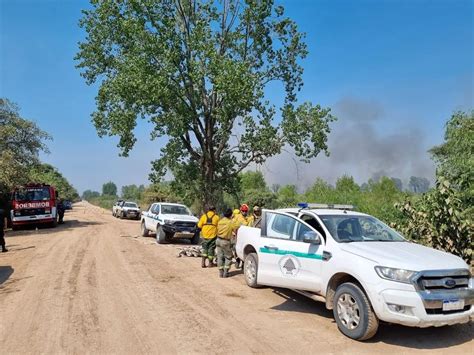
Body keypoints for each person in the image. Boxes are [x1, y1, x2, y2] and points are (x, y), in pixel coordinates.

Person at [215, 208, 234, 278]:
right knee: (228, 257)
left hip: (218, 240)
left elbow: (217, 229)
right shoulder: (231, 222)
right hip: (225, 241)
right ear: (231, 215)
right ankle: (226, 272)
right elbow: (236, 228)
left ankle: (220, 272)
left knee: (219, 257)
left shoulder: (220, 221)